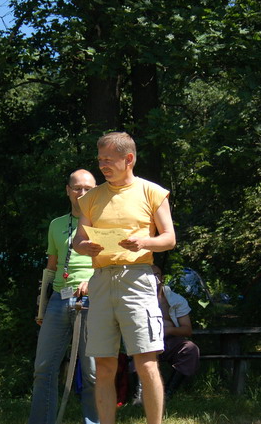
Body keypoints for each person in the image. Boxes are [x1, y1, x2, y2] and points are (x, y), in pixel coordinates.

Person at [73, 132, 176, 424]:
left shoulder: (152, 192)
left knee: (147, 362)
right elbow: (78, 240)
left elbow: (169, 238)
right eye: (100, 160)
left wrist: (144, 242)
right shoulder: (91, 198)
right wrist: (85, 246)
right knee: (104, 365)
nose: (102, 165)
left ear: (128, 158)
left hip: (137, 280)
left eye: (108, 159)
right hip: (101, 281)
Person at [28, 169, 99, 424]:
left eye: (88, 188)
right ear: (68, 191)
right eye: (77, 188)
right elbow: (51, 267)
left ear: (96, 191)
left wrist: (93, 282)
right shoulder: (56, 224)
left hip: (93, 302)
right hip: (59, 299)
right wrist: (42, 306)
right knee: (43, 369)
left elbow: (115, 264)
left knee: (93, 374)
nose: (82, 193)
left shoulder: (104, 222)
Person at [132, 265, 200, 404]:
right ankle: (139, 396)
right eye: (148, 275)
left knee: (190, 349)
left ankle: (168, 393)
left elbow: (187, 329)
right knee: (138, 352)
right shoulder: (134, 300)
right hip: (145, 342)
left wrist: (167, 330)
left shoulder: (176, 300)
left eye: (156, 275)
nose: (152, 278)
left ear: (162, 278)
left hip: (170, 342)